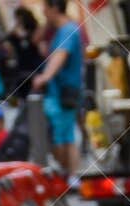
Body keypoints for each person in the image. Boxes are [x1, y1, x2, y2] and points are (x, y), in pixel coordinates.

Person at [32, 0, 86, 176]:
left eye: (45, 9)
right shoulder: (59, 30)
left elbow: (60, 55)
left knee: (64, 138)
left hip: (64, 92)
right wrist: (46, 25)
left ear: (54, 8)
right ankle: (69, 174)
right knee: (62, 136)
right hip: (57, 92)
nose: (43, 13)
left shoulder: (69, 30)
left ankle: (70, 175)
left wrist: (46, 76)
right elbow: (36, 39)